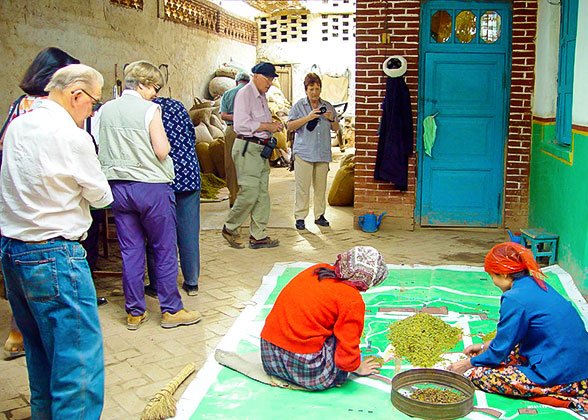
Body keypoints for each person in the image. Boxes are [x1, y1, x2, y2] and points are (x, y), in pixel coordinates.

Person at [0, 64, 111, 418]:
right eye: (93, 102)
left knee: (41, 356)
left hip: (14, 251)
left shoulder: (18, 125)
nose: (93, 110)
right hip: (55, 255)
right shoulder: (70, 135)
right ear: (76, 94)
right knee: (76, 366)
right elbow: (101, 195)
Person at [97, 60, 200, 330]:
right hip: (151, 188)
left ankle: (134, 312)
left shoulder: (105, 110)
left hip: (118, 189)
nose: (156, 93)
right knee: (164, 249)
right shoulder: (150, 109)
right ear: (141, 84)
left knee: (130, 252)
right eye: (154, 87)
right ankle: (171, 310)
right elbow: (162, 150)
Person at [0, 47, 80, 361]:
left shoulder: (19, 106)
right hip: (41, 202)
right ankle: (29, 335)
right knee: (40, 266)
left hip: (17, 201)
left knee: (22, 266)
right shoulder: (46, 110)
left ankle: (18, 333)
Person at [447, 242, 588, 412]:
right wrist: (484, 346)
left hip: (564, 375)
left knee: (480, 375)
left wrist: (467, 364)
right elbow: (511, 338)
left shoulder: (514, 298)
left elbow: (500, 350)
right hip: (576, 361)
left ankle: (556, 390)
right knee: (502, 355)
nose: (494, 282)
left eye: (493, 276)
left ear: (505, 275)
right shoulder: (537, 284)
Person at [260, 246, 387, 390]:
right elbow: (347, 350)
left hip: (270, 357)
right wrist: (357, 367)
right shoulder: (351, 299)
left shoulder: (317, 269)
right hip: (306, 369)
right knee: (339, 335)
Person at [221, 62, 284, 250]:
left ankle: (258, 235)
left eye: (272, 79)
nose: (270, 83)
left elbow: (258, 121)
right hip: (247, 148)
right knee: (249, 192)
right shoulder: (245, 94)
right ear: (255, 75)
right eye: (268, 79)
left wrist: (272, 125)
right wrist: (267, 126)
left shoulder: (262, 96)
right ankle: (230, 227)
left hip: (260, 150)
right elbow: (241, 124)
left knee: (262, 194)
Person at [146, 96, 202, 296]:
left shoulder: (148, 110)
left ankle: (157, 284)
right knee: (188, 231)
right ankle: (192, 281)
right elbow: (192, 136)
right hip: (189, 173)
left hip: (163, 177)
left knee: (158, 232)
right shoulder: (177, 105)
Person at [287, 72, 340, 231]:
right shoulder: (299, 106)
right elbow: (289, 126)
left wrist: (331, 119)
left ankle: (319, 216)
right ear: (306, 90)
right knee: (302, 187)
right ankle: (300, 217)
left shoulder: (328, 106)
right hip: (304, 152)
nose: (314, 92)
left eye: (317, 88)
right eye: (311, 89)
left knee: (321, 187)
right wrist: (308, 118)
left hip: (322, 153)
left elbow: (336, 129)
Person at [220, 71, 251, 207]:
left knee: (231, 165)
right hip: (249, 131)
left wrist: (236, 117)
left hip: (232, 130)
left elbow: (223, 115)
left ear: (236, 82)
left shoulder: (228, 94)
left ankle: (234, 198)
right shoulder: (253, 94)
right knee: (249, 164)